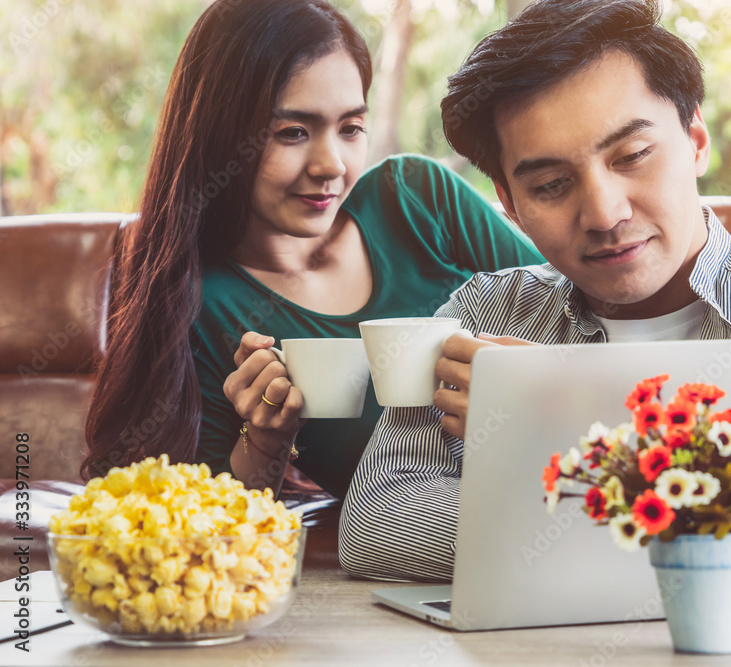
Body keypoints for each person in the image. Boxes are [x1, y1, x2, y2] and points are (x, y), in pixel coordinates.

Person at [339, 0, 731, 593]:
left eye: (633, 156)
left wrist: (564, 419)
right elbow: (378, 529)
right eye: (551, 185)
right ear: (509, 205)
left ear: (695, 139)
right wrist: (693, 523)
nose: (605, 213)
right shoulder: (482, 314)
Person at [82, 0, 543, 500]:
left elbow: (580, 315)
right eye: (293, 132)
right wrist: (264, 440)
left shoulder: (418, 199)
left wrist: (534, 392)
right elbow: (211, 519)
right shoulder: (197, 306)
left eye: (350, 128)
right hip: (409, 544)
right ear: (219, 136)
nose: (332, 165)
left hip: (571, 490)